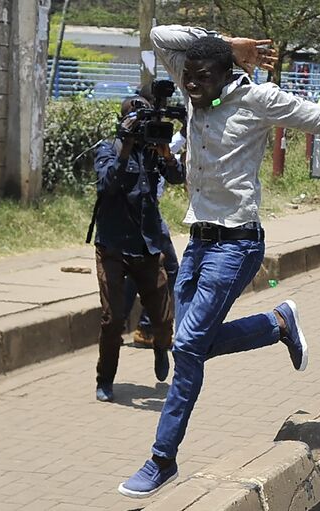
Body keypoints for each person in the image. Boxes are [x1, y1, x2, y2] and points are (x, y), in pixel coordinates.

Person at [117, 26, 320, 499]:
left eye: (202, 78)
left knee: (186, 350)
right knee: (192, 346)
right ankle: (277, 324)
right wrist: (227, 43)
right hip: (198, 243)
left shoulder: (260, 99)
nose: (190, 86)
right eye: (187, 78)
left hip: (237, 245)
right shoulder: (193, 83)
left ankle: (162, 459)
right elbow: (162, 35)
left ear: (226, 76)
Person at [89, 96, 187, 402]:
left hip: (146, 246)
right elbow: (107, 185)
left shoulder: (152, 152)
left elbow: (177, 178)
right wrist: (125, 146)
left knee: (162, 317)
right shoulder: (107, 149)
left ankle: (160, 347)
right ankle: (105, 379)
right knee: (113, 318)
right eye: (136, 119)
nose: (141, 126)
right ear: (123, 121)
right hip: (113, 246)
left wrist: (167, 155)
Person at [123, 128, 187, 348]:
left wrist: (167, 156)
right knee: (169, 270)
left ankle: (122, 324)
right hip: (141, 216)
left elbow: (177, 175)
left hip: (150, 213)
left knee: (136, 271)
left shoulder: (159, 144)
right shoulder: (125, 146)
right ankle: (147, 327)